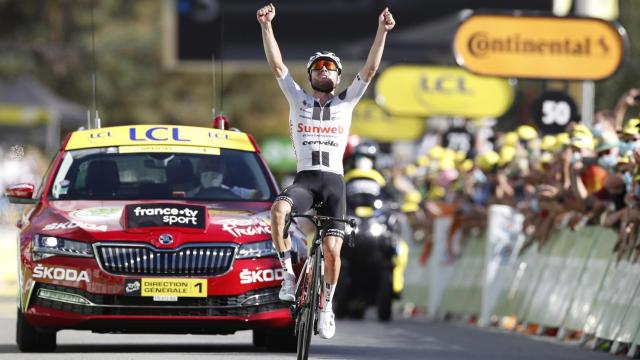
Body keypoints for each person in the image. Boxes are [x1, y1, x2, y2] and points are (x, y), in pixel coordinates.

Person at [257, 3, 395, 339]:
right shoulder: (297, 99)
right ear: (311, 75)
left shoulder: (346, 102)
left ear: (337, 76)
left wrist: (383, 31)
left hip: (334, 183)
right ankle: (288, 275)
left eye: (331, 67)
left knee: (332, 252)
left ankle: (327, 307)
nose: (325, 70)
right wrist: (266, 26)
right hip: (306, 179)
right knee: (278, 209)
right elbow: (276, 65)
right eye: (318, 67)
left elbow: (371, 69)